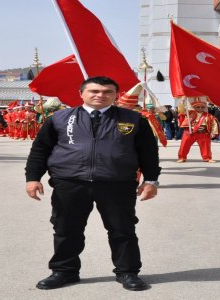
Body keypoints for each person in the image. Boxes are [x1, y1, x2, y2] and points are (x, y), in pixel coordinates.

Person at [25, 76, 161, 291]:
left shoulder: (133, 119)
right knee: (66, 229)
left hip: (117, 184)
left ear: (116, 95)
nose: (100, 95)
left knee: (122, 230)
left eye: (107, 92)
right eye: (94, 91)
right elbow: (40, 150)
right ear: (81, 94)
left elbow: (148, 153)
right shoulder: (59, 118)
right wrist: (32, 178)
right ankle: (64, 271)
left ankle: (127, 272)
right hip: (70, 183)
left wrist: (151, 180)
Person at [177, 98, 219, 163]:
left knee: (206, 146)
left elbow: (214, 124)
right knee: (184, 145)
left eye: (202, 107)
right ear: (194, 107)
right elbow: (181, 111)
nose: (200, 108)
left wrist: (213, 132)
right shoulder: (189, 113)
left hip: (203, 132)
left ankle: (207, 158)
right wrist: (182, 101)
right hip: (189, 132)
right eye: (198, 107)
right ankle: (182, 157)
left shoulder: (208, 115)